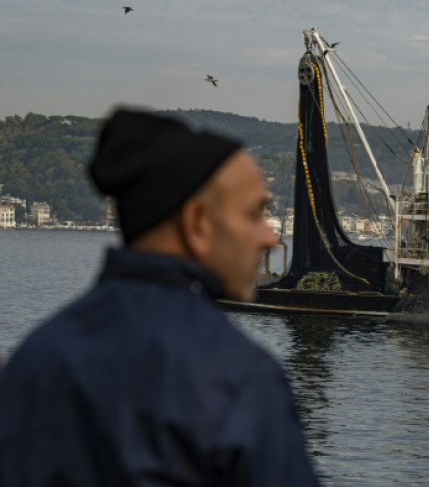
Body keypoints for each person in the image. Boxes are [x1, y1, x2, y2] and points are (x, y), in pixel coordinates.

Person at [0, 110, 322, 486]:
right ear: (197, 222)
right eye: (253, 214)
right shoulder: (237, 379)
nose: (270, 237)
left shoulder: (35, 359)